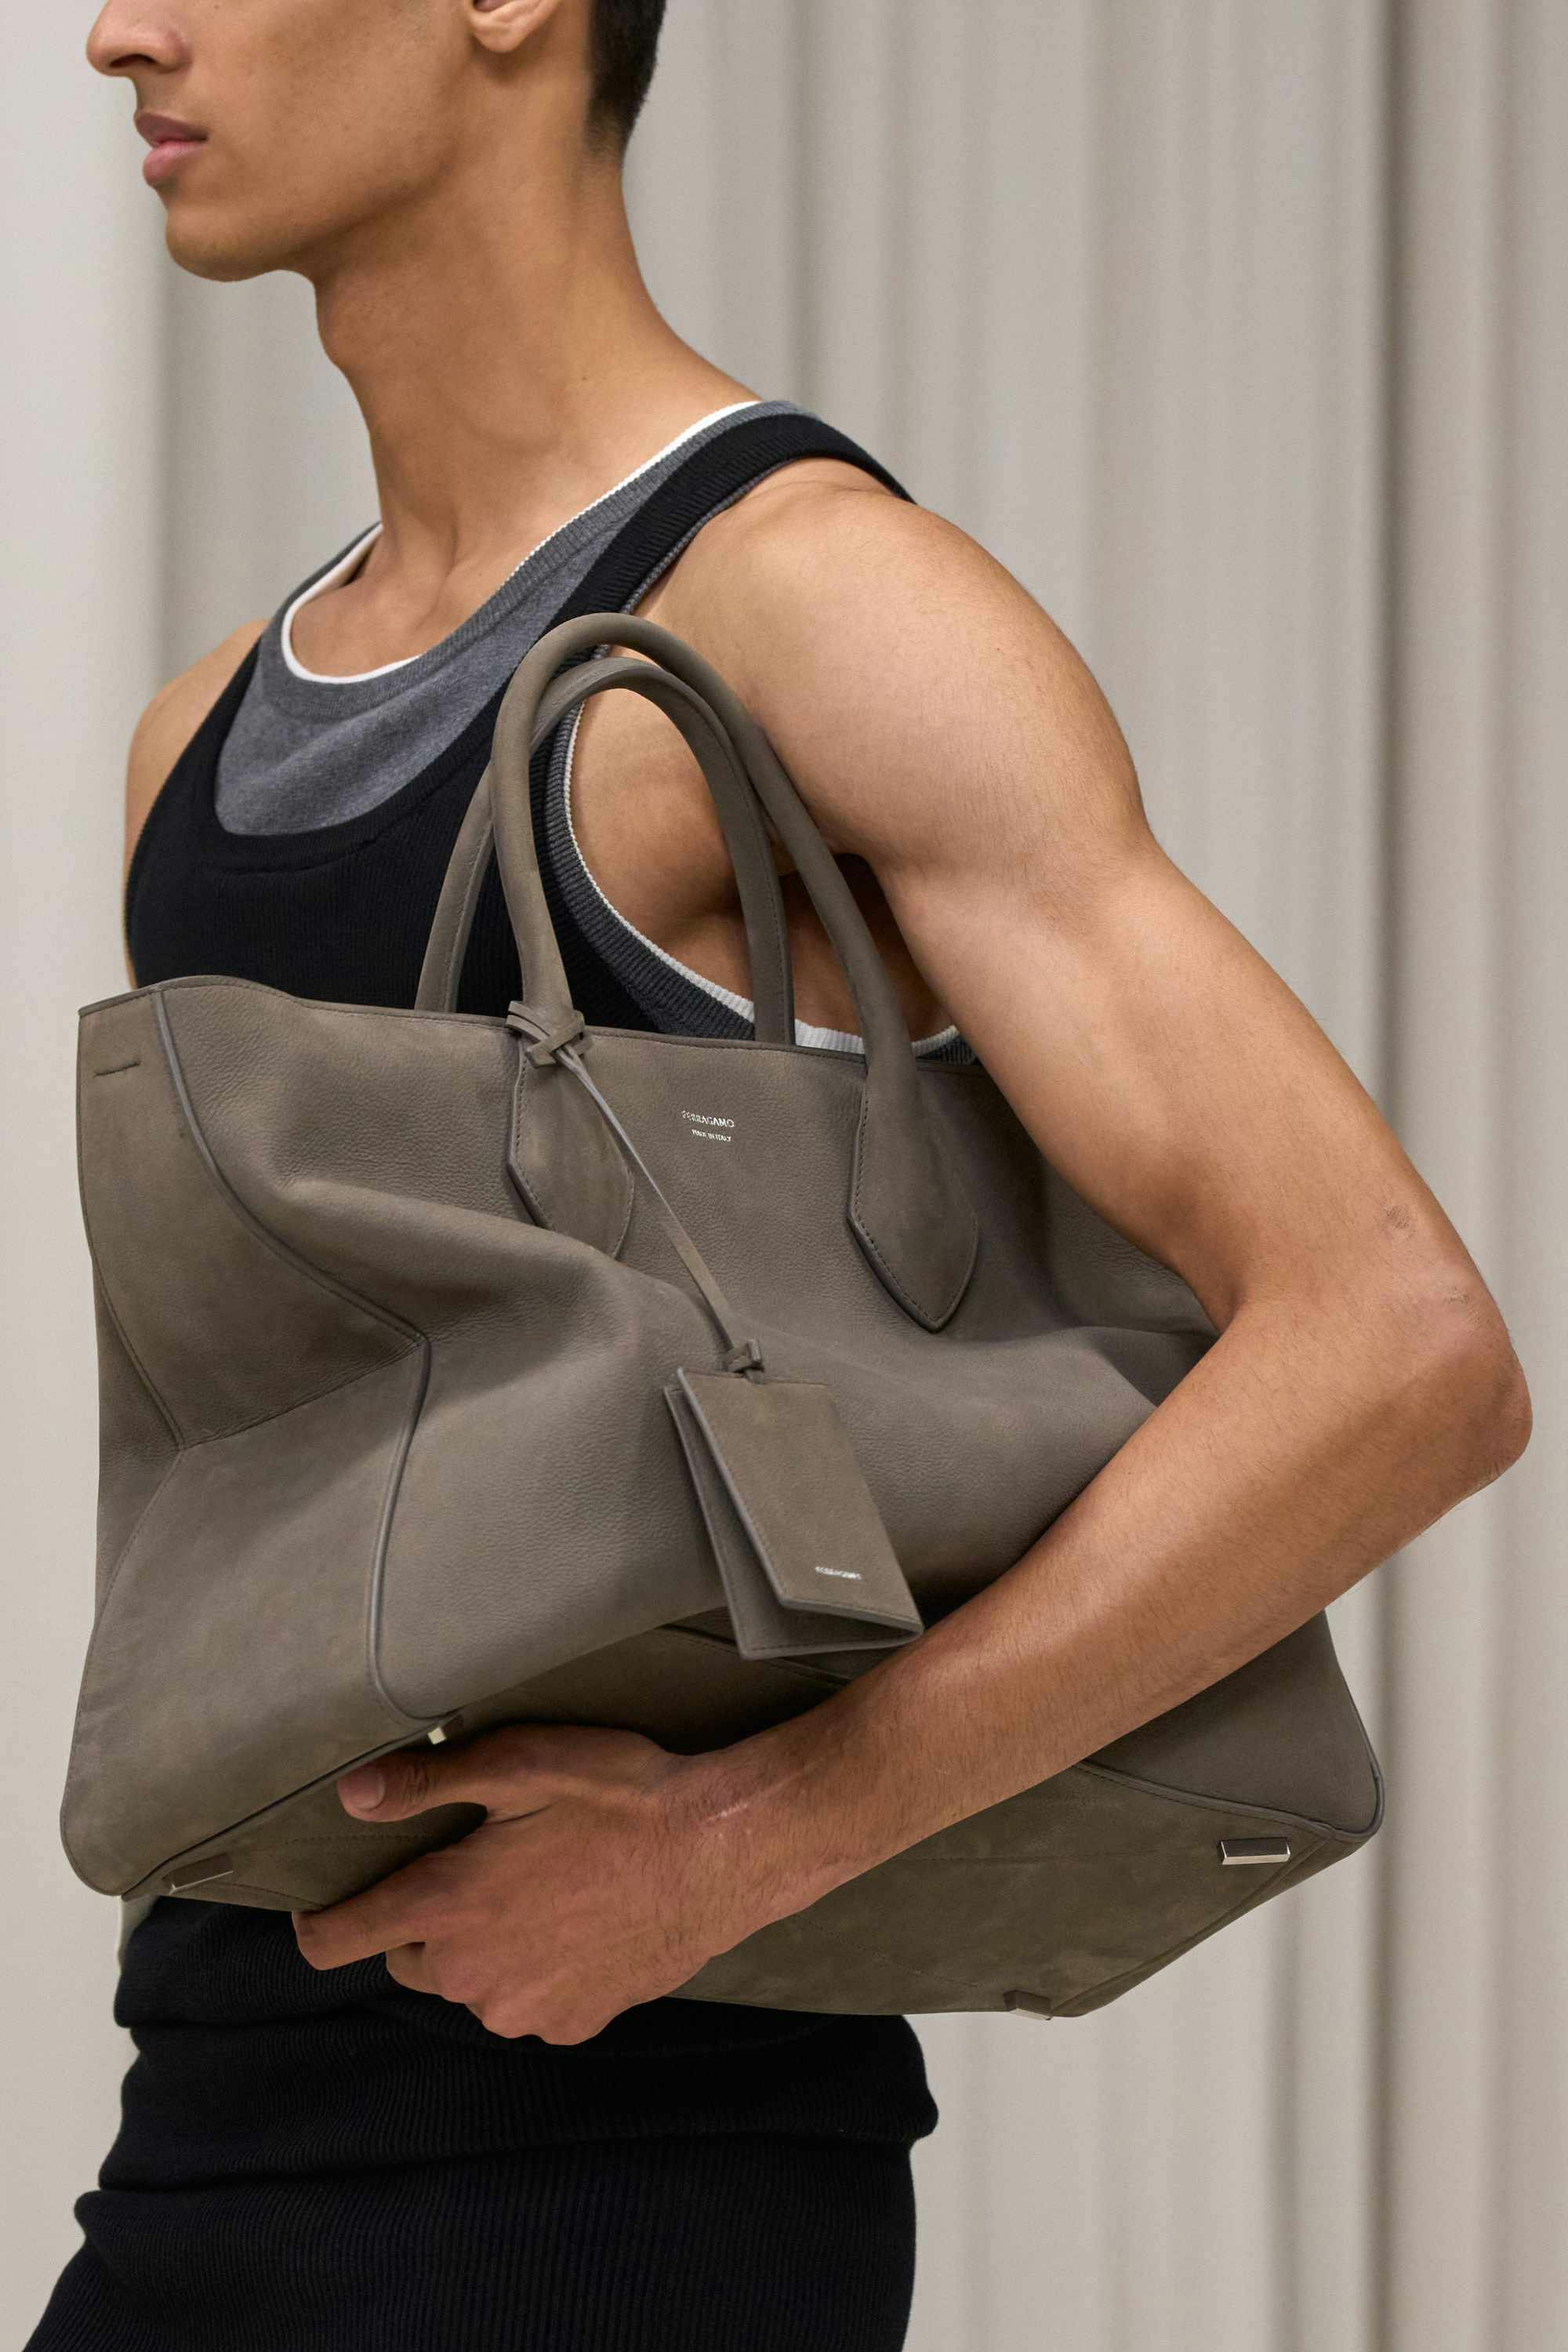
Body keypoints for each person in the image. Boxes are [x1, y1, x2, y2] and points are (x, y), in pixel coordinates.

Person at [32, 2, 1530, 2347]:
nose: (123, 29)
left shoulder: (822, 611)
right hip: (215, 2124)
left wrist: (757, 1843)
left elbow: (1401, 1347)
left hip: (645, 2190)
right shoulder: (196, 745)